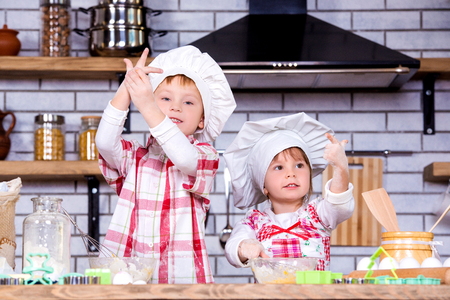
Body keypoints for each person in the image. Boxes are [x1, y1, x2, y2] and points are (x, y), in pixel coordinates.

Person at [95, 45, 236, 284]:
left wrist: (149, 104)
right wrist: (128, 88)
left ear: (202, 120)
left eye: (189, 102)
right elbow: (104, 143)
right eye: (166, 98)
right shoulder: (135, 157)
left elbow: (184, 158)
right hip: (126, 279)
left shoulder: (205, 156)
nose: (175, 107)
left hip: (181, 282)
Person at [223, 113, 354, 271]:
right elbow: (232, 246)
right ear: (263, 185)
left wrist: (341, 168)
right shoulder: (253, 223)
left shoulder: (318, 215)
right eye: (279, 167)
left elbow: (339, 204)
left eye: (299, 165)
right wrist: (244, 246)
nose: (291, 173)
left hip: (314, 296)